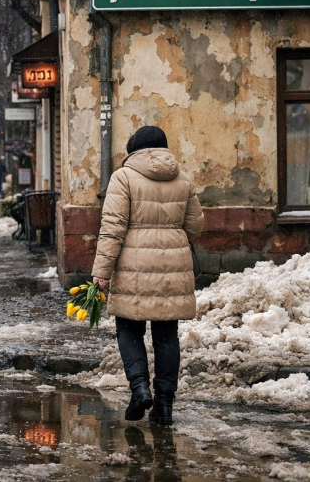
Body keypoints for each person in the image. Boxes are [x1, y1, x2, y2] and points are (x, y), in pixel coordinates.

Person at [91, 126, 203, 426]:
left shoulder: (123, 177)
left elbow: (112, 228)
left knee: (129, 330)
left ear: (134, 150)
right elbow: (195, 227)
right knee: (167, 336)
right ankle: (164, 405)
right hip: (173, 268)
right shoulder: (183, 179)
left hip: (134, 269)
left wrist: (100, 273)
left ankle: (140, 388)